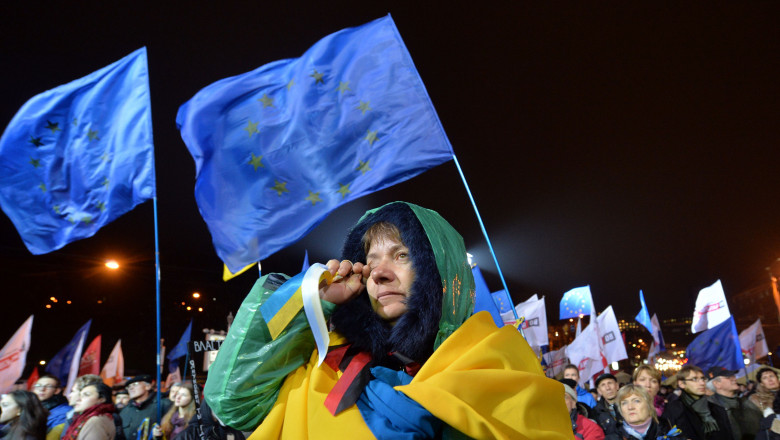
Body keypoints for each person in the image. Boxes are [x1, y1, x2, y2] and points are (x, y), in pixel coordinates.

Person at [204, 202, 572, 439]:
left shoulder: (501, 365)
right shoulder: (324, 368)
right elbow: (231, 400)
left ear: (440, 272)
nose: (379, 273)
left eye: (401, 255)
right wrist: (308, 304)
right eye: (371, 259)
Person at [695, 366, 761, 440]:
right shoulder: (709, 409)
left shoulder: (744, 401)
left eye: (733, 376)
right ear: (717, 384)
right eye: (728, 377)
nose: (734, 378)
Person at [603, 384, 684, 440]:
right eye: (624, 403)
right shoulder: (612, 438)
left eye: (636, 401)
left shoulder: (670, 430)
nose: (630, 407)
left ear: (649, 405)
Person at [662, 365, 709, 440]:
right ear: (682, 384)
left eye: (703, 379)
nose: (702, 383)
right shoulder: (674, 408)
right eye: (694, 379)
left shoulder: (714, 407)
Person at [119, 375, 170, 440]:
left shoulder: (163, 404)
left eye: (135, 384)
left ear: (148, 386)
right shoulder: (125, 411)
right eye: (128, 387)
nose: (131, 388)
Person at [32, 374, 71, 439]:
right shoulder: (31, 407)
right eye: (38, 385)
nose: (42, 389)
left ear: (57, 391)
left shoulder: (65, 411)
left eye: (48, 386)